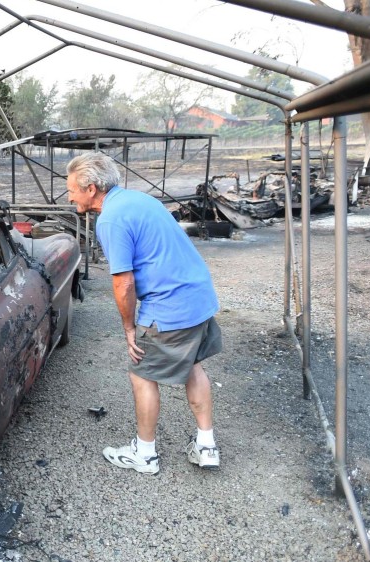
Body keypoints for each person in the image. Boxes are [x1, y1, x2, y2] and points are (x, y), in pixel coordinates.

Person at [65, 152, 222, 475]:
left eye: (73, 190)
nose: (69, 196)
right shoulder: (140, 200)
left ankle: (145, 454)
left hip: (169, 306)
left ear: (91, 188)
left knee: (142, 373)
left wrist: (129, 328)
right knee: (193, 363)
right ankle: (207, 446)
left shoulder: (110, 219)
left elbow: (123, 283)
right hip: (199, 297)